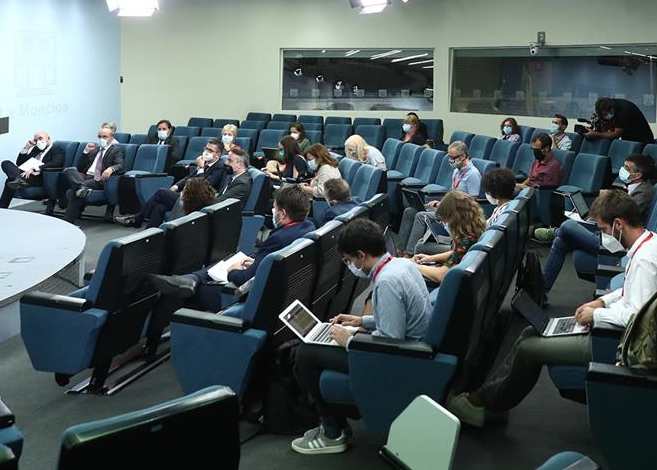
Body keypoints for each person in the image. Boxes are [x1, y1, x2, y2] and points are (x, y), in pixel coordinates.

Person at [447, 190, 657, 427]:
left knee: (528, 348)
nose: (604, 236)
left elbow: (637, 316)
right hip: (612, 328)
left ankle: (480, 404)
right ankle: (493, 400)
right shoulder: (650, 242)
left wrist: (596, 314)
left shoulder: (645, 261)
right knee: (530, 332)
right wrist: (602, 301)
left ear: (619, 224)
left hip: (614, 341)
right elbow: (635, 292)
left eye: (605, 230)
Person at [290, 218, 431, 455]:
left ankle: (333, 432)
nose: (349, 266)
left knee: (304, 355)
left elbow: (389, 345)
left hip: (401, 360)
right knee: (307, 350)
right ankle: (333, 424)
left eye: (348, 260)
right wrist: (361, 321)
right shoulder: (400, 265)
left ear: (361, 255)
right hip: (412, 347)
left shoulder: (387, 281)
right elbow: (398, 318)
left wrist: (349, 341)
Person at [151, 184, 317, 311]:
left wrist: (233, 271)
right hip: (283, 290)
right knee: (229, 258)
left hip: (250, 297)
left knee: (197, 291)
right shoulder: (308, 226)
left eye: (274, 209)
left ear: (282, 214)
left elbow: (244, 279)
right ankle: (191, 279)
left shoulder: (279, 238)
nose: (273, 212)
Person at [536, 154, 656, 295]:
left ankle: (555, 231)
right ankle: (541, 291)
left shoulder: (644, 192)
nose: (622, 170)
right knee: (561, 241)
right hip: (608, 236)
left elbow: (622, 216)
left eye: (626, 168)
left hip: (615, 245)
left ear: (637, 175)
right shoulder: (634, 187)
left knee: (568, 226)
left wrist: (607, 199)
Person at [118, 144, 250, 228]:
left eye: (230, 161)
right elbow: (188, 178)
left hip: (202, 202)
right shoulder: (233, 176)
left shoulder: (235, 178)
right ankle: (148, 237)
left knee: (161, 193)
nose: (226, 163)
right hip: (196, 196)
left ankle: (138, 218)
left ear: (239, 164)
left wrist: (201, 169)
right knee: (159, 206)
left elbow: (205, 188)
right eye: (206, 148)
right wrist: (176, 187)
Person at [397, 140, 481, 255]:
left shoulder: (473, 174)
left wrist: (444, 207)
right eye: (449, 157)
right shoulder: (456, 171)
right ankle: (400, 250)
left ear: (463, 156)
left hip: (458, 214)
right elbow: (453, 194)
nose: (451, 160)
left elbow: (472, 203)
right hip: (449, 209)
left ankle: (409, 254)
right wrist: (441, 202)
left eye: (453, 157)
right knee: (410, 211)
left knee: (421, 216)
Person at [410, 191, 487, 285]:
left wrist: (412, 265)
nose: (447, 224)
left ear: (455, 218)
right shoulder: (473, 231)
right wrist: (429, 258)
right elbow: (456, 253)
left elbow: (441, 275)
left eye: (447, 221)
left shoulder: (467, 240)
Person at [59, 123, 126, 223]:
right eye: (99, 137)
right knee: (69, 170)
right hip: (85, 177)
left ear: (111, 138)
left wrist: (111, 169)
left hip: (98, 179)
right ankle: (81, 187)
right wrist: (85, 152)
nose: (101, 139)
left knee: (73, 191)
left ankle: (68, 221)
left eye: (104, 137)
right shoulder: (94, 150)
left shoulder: (116, 150)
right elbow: (80, 167)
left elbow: (120, 165)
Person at [0, 130, 65, 209]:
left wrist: (35, 169)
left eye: (40, 138)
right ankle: (19, 179)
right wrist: (26, 148)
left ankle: (1, 208)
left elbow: (56, 163)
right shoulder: (36, 149)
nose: (38, 141)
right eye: (36, 140)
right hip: (25, 175)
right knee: (5, 163)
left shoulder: (57, 150)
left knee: (9, 181)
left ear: (48, 138)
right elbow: (20, 163)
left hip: (41, 177)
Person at [583, 97, 654, 143]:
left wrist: (595, 134)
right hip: (628, 139)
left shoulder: (624, 110)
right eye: (604, 115)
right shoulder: (608, 107)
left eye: (608, 113)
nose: (607, 115)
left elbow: (615, 134)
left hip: (642, 139)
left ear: (612, 107)